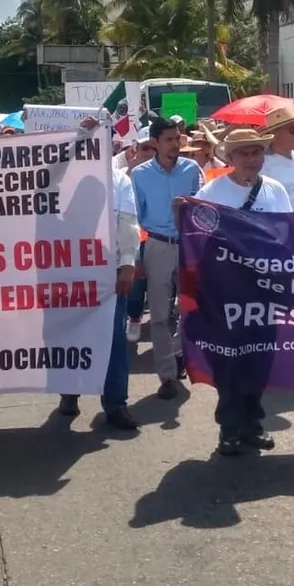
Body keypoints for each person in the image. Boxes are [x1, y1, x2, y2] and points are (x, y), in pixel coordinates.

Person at [192, 128, 293, 455]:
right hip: (226, 292)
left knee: (260, 358)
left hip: (265, 290)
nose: (251, 159)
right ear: (230, 158)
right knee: (228, 359)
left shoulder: (275, 190)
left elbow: (288, 234)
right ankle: (229, 427)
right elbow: (197, 239)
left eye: (256, 153)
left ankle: (253, 423)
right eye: (244, 153)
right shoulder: (212, 192)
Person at [57, 158, 142, 431]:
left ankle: (116, 403)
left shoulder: (120, 180)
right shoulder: (62, 177)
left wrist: (128, 264)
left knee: (114, 339)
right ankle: (69, 391)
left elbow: (128, 223)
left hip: (109, 272)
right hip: (68, 269)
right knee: (69, 334)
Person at [131, 118, 204, 398]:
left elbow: (203, 207)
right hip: (157, 247)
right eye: (170, 139)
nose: (176, 144)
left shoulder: (191, 169)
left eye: (178, 138)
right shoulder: (139, 175)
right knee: (160, 315)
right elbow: (135, 219)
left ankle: (178, 353)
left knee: (190, 309)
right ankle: (167, 376)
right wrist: (136, 256)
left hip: (189, 246)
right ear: (155, 143)